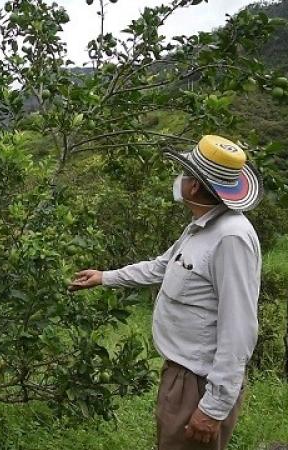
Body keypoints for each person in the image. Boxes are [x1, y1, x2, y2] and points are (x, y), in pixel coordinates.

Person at [69, 135, 264, 450]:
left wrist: (213, 408)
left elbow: (239, 328)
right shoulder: (201, 227)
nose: (180, 179)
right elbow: (161, 267)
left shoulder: (231, 238)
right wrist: (104, 277)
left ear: (194, 187)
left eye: (185, 173)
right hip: (182, 376)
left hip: (199, 383)